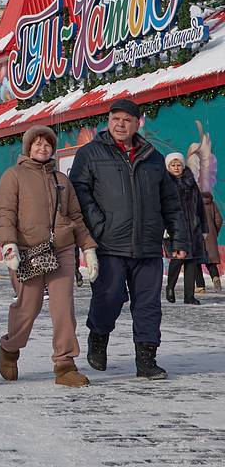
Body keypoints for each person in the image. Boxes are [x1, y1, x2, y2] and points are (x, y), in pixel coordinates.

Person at [70, 98, 186, 379]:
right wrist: (99, 225)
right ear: (108, 121)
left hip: (147, 246)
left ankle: (146, 359)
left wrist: (179, 240)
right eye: (115, 119)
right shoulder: (90, 154)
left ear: (137, 123)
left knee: (148, 305)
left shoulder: (154, 158)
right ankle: (98, 336)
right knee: (107, 297)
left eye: (127, 120)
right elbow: (79, 193)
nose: (120, 124)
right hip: (108, 244)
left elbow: (170, 202)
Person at [0, 125, 98, 387]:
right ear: (28, 147)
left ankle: (65, 365)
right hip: (26, 252)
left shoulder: (62, 180)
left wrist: (88, 247)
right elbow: (5, 213)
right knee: (28, 307)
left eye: (48, 144)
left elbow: (75, 216)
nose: (43, 148)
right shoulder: (13, 175)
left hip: (61, 249)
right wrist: (8, 245)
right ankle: (10, 347)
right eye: (37, 144)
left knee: (63, 306)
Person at [164, 152, 207, 306]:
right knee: (178, 259)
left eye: (179, 164)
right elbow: (160, 207)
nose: (176, 167)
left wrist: (204, 228)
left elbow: (200, 206)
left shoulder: (191, 182)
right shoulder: (165, 183)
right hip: (175, 227)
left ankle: (189, 296)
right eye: (173, 165)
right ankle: (170, 287)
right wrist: (164, 227)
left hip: (193, 227)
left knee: (192, 262)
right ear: (168, 167)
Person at [201, 189, 222, 292]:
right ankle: (215, 277)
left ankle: (200, 286)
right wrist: (215, 232)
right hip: (210, 236)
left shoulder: (195, 204)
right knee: (210, 262)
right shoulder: (212, 204)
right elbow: (219, 220)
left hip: (198, 236)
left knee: (195, 262)